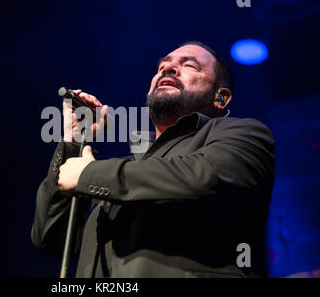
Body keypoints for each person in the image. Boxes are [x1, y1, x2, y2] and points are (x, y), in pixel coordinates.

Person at [31, 41, 276, 278]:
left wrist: (88, 174)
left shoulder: (246, 134)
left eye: (189, 65)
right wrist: (72, 142)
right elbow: (51, 240)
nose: (167, 68)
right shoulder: (128, 170)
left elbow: (204, 177)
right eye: (161, 67)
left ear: (220, 97)